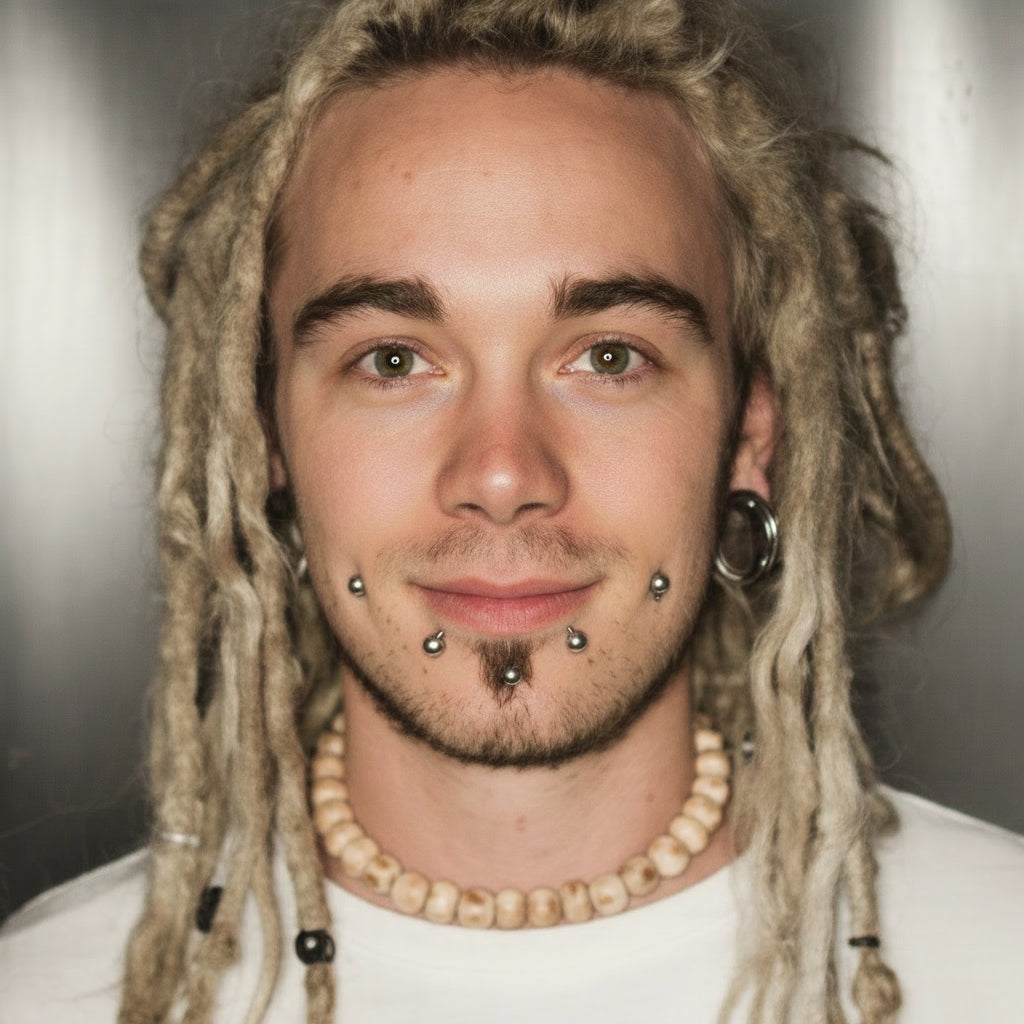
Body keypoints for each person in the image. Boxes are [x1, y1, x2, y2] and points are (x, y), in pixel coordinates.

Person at [1, 0, 1021, 1022]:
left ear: (753, 434)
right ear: (263, 435)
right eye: (393, 361)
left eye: (608, 358)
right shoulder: (51, 992)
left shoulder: (995, 956)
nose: (500, 472)